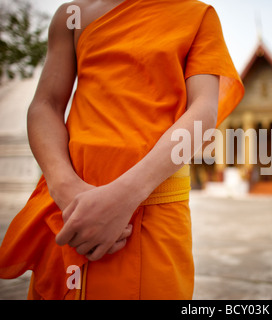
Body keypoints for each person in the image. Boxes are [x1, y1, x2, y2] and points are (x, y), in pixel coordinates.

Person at [0, 0, 244, 300]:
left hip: (153, 205)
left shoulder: (196, 14)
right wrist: (67, 191)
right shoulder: (72, 16)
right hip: (72, 208)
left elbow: (203, 111)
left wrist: (124, 197)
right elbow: (45, 105)